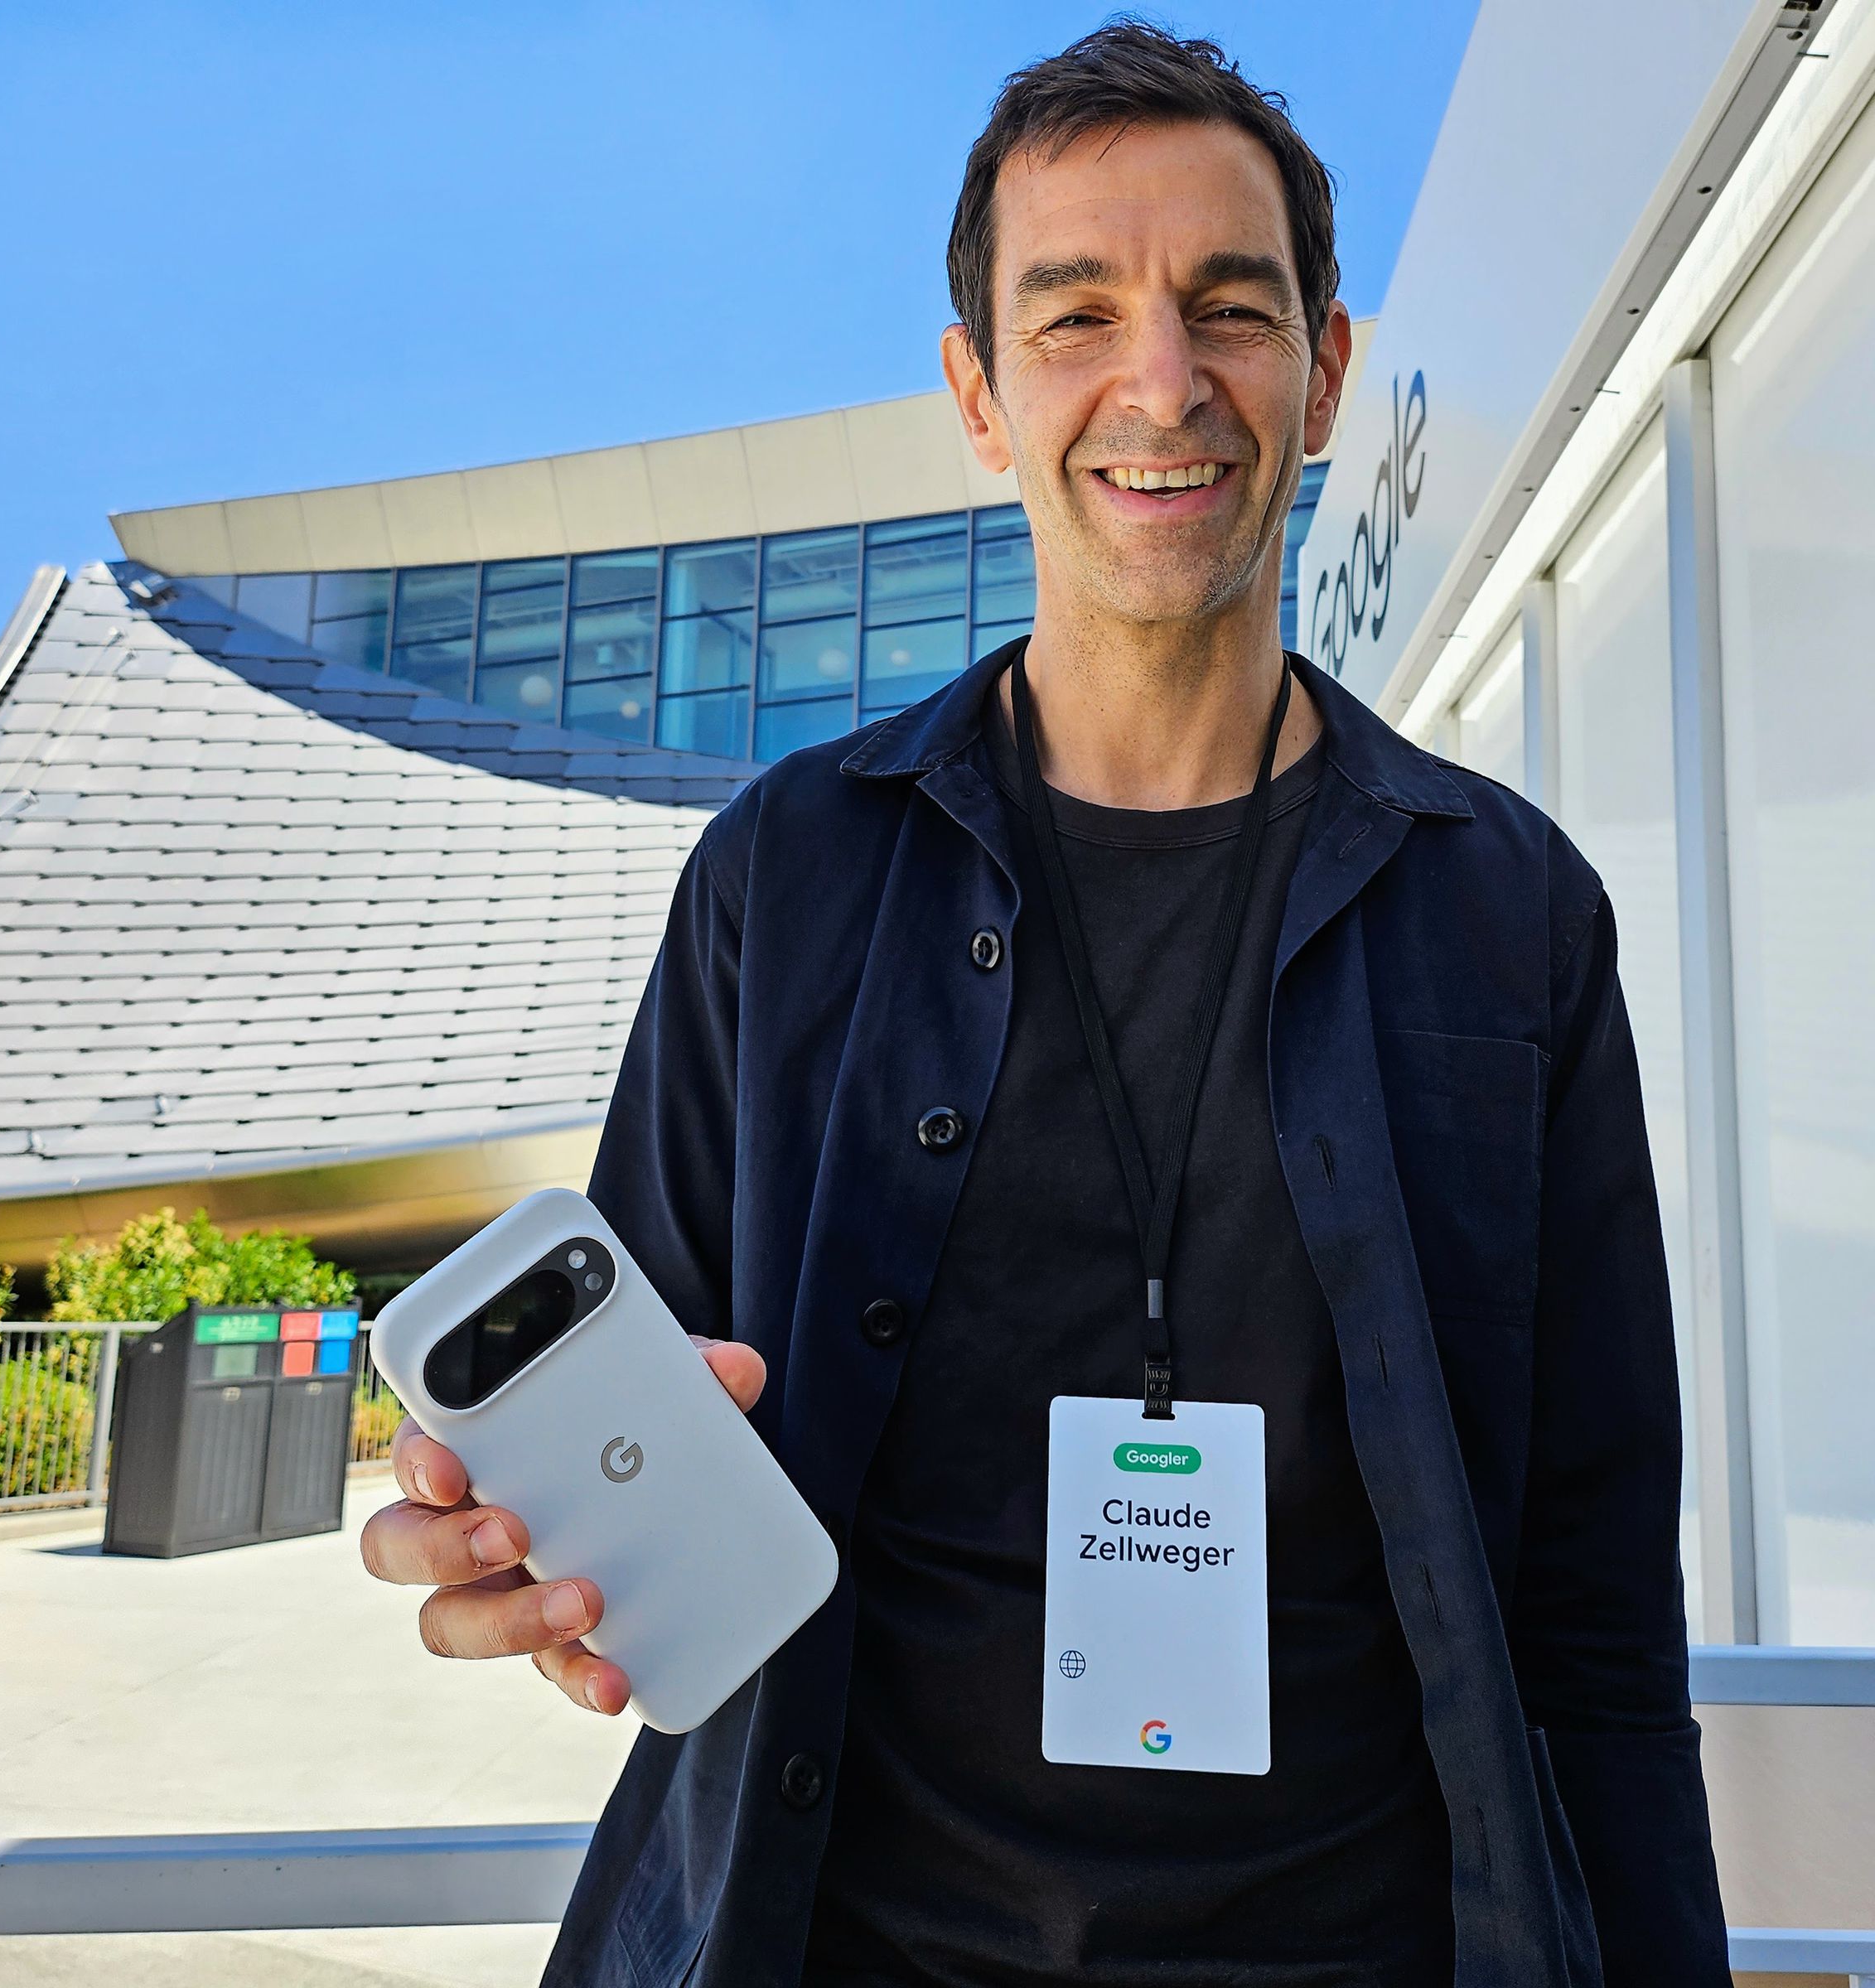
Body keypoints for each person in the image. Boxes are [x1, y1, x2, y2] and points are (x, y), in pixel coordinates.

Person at [360, 22, 1728, 1986]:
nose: (1160, 382)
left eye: (1230, 309)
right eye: (1074, 313)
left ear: (1325, 372)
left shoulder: (1510, 915)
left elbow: (1600, 1620)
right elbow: (621, 1428)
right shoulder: (782, 877)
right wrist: (515, 1555)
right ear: (982, 396)